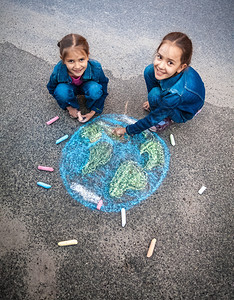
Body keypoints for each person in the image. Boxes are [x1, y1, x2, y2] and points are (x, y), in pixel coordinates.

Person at [113, 32, 205, 137]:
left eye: (170, 62)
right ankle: (157, 104)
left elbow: (153, 118)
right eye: (160, 57)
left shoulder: (175, 94)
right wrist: (152, 102)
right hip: (181, 96)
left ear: (181, 67)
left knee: (155, 95)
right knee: (149, 71)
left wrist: (127, 130)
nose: (160, 66)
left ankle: (165, 119)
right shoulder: (172, 72)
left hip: (185, 110)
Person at [47, 33, 109, 122]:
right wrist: (69, 107)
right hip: (69, 88)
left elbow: (103, 88)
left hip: (88, 86)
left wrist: (93, 111)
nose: (77, 66)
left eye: (81, 60)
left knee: (95, 90)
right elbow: (51, 88)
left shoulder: (96, 67)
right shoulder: (58, 70)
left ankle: (89, 104)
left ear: (87, 56)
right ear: (63, 60)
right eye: (71, 61)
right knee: (61, 91)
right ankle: (73, 104)